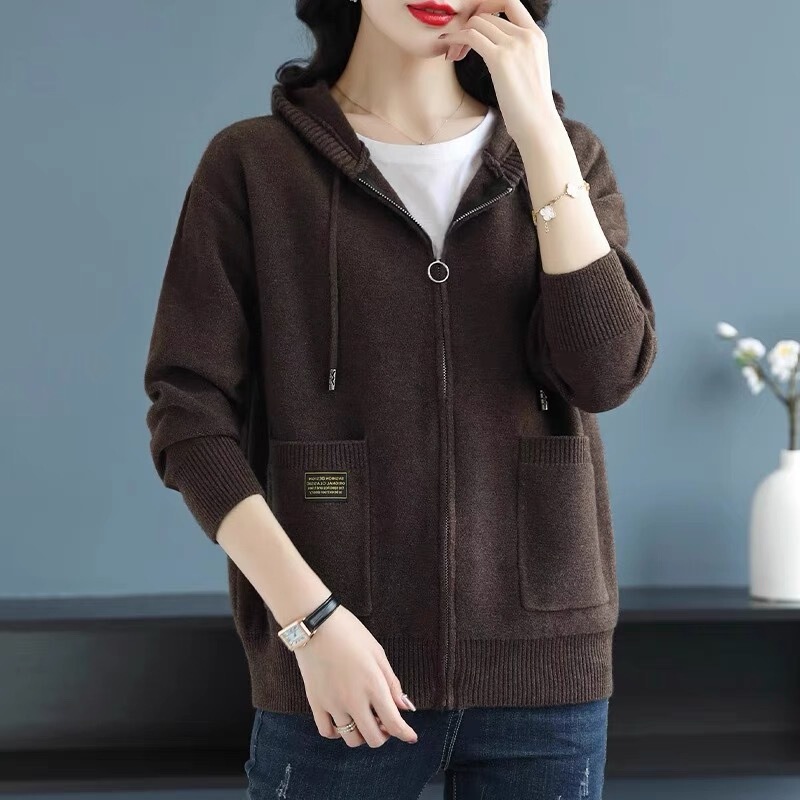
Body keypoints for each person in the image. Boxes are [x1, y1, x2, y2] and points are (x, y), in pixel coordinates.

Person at [143, 0, 657, 797]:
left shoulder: (567, 155)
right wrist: (311, 623)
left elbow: (605, 372)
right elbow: (188, 414)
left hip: (544, 677)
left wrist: (539, 132)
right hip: (335, 670)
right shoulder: (254, 165)